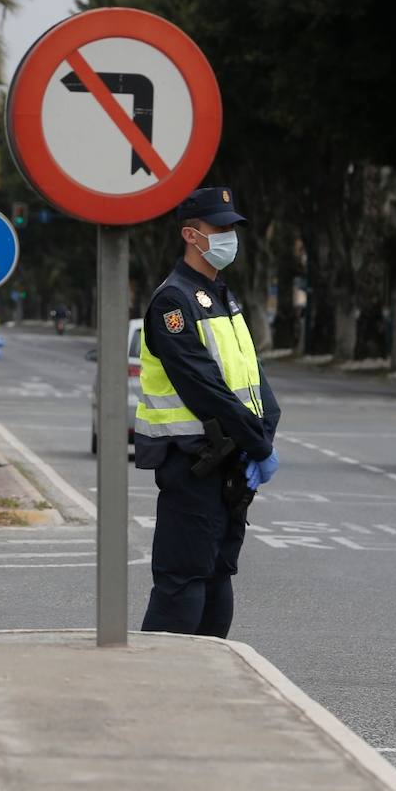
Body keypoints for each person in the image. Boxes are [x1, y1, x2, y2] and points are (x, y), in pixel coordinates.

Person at [135, 187, 281, 639]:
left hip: (229, 464)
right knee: (182, 582)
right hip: (192, 462)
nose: (229, 237)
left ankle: (210, 676)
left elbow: (253, 378)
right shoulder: (172, 302)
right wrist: (256, 445)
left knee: (217, 576)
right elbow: (205, 388)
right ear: (191, 235)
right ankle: (154, 685)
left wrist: (264, 439)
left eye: (231, 228)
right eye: (219, 229)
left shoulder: (221, 295)